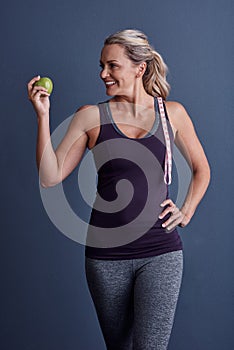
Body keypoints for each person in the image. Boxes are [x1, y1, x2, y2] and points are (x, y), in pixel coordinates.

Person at [28, 29, 210, 350]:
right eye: (101, 66)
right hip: (105, 258)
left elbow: (201, 169)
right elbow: (49, 176)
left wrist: (187, 210)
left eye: (112, 66)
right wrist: (43, 117)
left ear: (139, 68)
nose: (103, 74)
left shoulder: (173, 114)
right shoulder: (91, 117)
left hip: (161, 252)